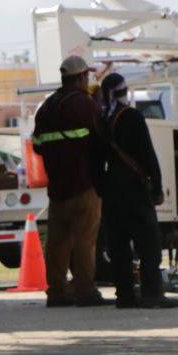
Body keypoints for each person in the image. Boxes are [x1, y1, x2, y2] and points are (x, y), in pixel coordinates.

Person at [30, 54, 108, 307]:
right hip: (85, 186)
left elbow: (39, 147)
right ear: (82, 77)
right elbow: (102, 139)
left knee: (58, 243)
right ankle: (86, 291)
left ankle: (57, 291)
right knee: (85, 241)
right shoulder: (85, 105)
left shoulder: (47, 108)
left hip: (57, 189)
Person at [97, 73, 178, 309]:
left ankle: (124, 295)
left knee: (119, 245)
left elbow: (94, 161)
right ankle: (151, 293)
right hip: (134, 188)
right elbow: (147, 154)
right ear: (124, 93)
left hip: (112, 190)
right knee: (148, 243)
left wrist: (102, 188)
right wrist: (156, 186)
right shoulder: (132, 117)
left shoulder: (100, 121)